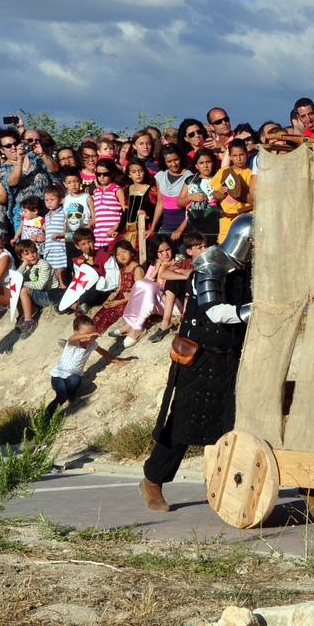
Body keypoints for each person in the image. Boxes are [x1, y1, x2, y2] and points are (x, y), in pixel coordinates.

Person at [142, 216, 259, 514]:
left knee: (227, 424)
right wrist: (259, 310)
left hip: (230, 355)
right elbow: (217, 312)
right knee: (183, 422)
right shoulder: (210, 265)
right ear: (246, 240)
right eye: (256, 241)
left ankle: (221, 488)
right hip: (201, 356)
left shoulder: (247, 270)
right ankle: (153, 480)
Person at [44, 314, 129, 421]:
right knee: (62, 395)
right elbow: (72, 338)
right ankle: (46, 418)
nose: (89, 337)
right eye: (86, 334)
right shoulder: (72, 343)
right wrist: (85, 336)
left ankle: (71, 396)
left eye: (92, 334)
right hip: (58, 377)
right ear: (76, 332)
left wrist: (117, 361)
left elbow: (103, 352)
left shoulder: (91, 344)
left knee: (76, 379)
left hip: (73, 377)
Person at [92, 240, 143, 335]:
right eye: (118, 254)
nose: (122, 256)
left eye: (124, 252)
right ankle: (84, 335)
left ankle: (94, 335)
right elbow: (118, 290)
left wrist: (120, 302)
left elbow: (140, 293)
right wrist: (109, 300)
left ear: (131, 252)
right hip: (119, 299)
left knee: (109, 315)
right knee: (99, 314)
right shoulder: (122, 271)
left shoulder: (137, 269)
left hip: (130, 301)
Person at [212, 140, 254, 243]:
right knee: (224, 247)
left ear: (247, 154)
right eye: (235, 155)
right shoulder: (224, 172)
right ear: (230, 156)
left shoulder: (252, 174)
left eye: (241, 154)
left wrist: (240, 192)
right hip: (227, 219)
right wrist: (220, 194)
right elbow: (215, 194)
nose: (239, 158)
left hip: (244, 219)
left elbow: (254, 200)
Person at [151, 146, 190, 241]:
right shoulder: (160, 176)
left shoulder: (189, 176)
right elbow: (160, 202)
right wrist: (152, 228)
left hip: (184, 227)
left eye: (176, 159)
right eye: (169, 161)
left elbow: (191, 208)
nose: (173, 164)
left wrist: (180, 229)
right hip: (166, 226)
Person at [90, 159, 126, 258]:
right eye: (98, 174)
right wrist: (88, 225)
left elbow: (125, 213)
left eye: (105, 174)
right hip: (98, 238)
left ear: (112, 173)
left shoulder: (117, 190)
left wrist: (116, 228)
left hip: (112, 236)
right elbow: (97, 215)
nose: (101, 177)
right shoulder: (96, 191)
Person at [41, 184, 69, 287]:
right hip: (49, 248)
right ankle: (58, 292)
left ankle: (64, 290)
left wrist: (61, 234)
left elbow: (68, 232)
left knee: (61, 272)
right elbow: (46, 232)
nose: (49, 203)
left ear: (60, 199)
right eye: (46, 200)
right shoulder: (47, 216)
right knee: (54, 273)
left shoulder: (63, 212)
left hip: (60, 248)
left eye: (52, 199)